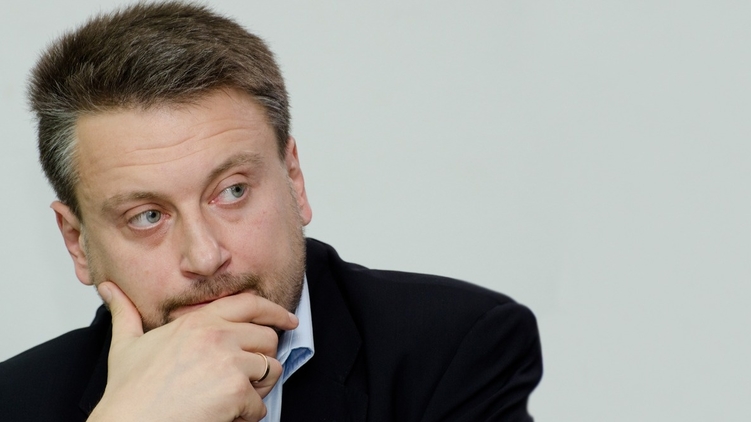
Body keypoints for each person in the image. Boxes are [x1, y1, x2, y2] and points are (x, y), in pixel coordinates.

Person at [0, 2, 542, 421]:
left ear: (294, 181)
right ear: (77, 243)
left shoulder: (454, 350)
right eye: (147, 216)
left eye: (232, 191)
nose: (205, 257)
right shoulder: (15, 401)